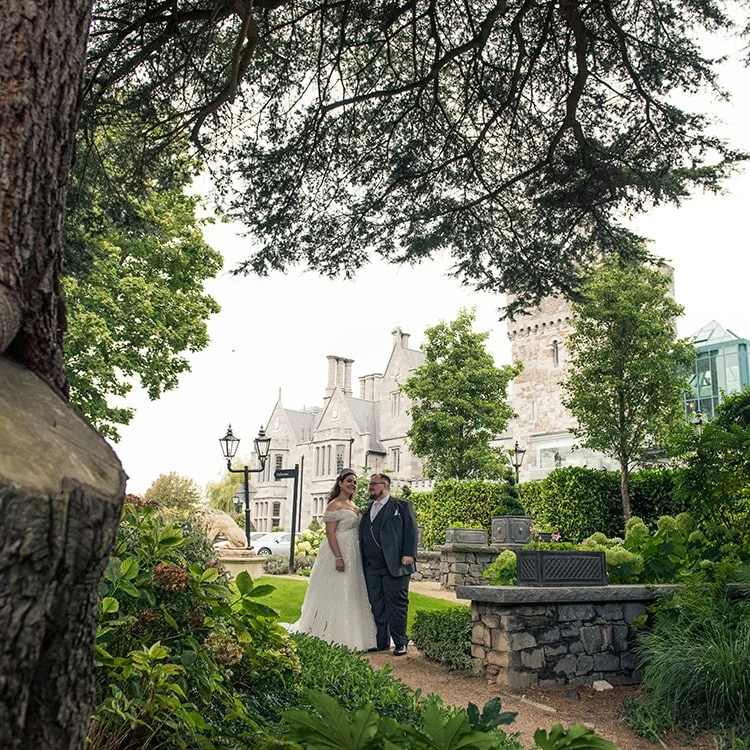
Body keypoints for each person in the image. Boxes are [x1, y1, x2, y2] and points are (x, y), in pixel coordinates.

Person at [287, 469, 377, 651]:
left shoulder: (353, 505)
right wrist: (338, 557)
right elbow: (329, 533)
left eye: (354, 482)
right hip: (338, 550)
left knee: (352, 589)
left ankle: (355, 633)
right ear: (340, 483)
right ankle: (329, 632)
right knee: (336, 588)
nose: (352, 484)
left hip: (353, 551)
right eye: (349, 481)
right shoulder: (333, 505)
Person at [359, 473, 418, 655]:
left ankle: (400, 641)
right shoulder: (368, 509)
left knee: (397, 604)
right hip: (372, 567)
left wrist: (409, 554)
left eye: (373, 484)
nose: (370, 487)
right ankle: (381, 641)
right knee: (376, 605)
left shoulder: (401, 506)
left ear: (384, 486)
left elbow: (411, 530)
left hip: (395, 565)